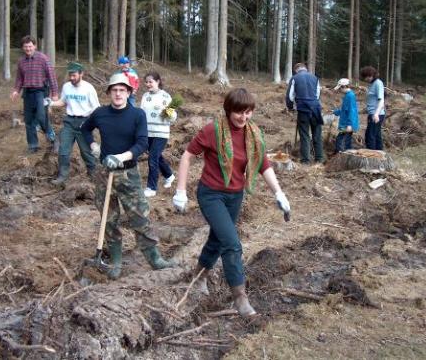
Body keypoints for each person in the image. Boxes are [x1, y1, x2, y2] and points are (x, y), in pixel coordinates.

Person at [172, 88, 291, 317]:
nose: (243, 117)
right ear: (228, 110)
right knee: (232, 243)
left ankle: (199, 276)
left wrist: (279, 193)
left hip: (235, 195)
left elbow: (263, 164)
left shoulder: (253, 134)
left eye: (248, 112)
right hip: (211, 194)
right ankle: (240, 297)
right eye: (238, 112)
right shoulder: (213, 130)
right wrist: (180, 190)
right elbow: (187, 155)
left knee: (218, 240)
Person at [80, 73, 175, 280]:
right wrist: (94, 145)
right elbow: (84, 130)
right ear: (109, 93)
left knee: (140, 217)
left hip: (128, 173)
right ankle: (115, 261)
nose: (118, 93)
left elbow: (142, 143)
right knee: (109, 219)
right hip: (105, 175)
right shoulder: (100, 113)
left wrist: (122, 157)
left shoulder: (137, 114)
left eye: (122, 90)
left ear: (129, 92)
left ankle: (154, 258)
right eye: (114, 90)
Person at [48, 62, 100, 186]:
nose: (72, 78)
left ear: (81, 74)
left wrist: (89, 121)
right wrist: (50, 103)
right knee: (63, 151)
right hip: (69, 122)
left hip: (84, 123)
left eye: (74, 75)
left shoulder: (88, 88)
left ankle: (94, 175)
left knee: (86, 152)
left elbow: (96, 107)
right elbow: (62, 102)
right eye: (70, 75)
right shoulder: (66, 86)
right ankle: (62, 177)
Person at [11, 35, 59, 153]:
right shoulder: (21, 61)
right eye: (26, 47)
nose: (28, 49)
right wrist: (16, 90)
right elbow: (19, 79)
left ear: (35, 46)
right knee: (29, 120)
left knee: (42, 117)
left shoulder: (43, 58)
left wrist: (55, 93)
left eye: (30, 46)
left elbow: (51, 76)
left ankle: (53, 139)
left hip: (41, 92)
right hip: (27, 92)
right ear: (23, 48)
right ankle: (33, 145)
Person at [140, 71, 177, 197]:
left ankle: (151, 188)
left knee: (152, 158)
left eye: (151, 81)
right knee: (156, 156)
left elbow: (173, 117)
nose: (148, 84)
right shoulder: (145, 96)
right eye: (146, 82)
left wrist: (169, 113)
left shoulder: (166, 97)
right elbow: (142, 114)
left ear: (158, 82)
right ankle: (169, 175)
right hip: (148, 132)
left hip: (161, 133)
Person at [286, 62, 324, 164]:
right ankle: (319, 159)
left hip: (303, 110)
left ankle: (305, 160)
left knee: (304, 135)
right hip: (316, 109)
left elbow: (290, 96)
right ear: (305, 69)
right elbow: (317, 94)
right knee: (317, 134)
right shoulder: (315, 78)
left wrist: (291, 107)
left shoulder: (295, 78)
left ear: (296, 70)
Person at [361, 66, 385, 150]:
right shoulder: (371, 84)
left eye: (367, 76)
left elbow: (381, 100)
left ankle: (372, 157)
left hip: (376, 115)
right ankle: (380, 155)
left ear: (372, 75)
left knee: (370, 136)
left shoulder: (378, 83)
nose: (366, 79)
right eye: (364, 77)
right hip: (372, 113)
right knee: (376, 135)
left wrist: (376, 114)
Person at [333, 78, 359, 153]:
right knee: (345, 140)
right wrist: (336, 112)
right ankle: (345, 155)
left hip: (347, 124)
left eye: (340, 88)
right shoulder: (347, 95)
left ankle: (340, 156)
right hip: (346, 122)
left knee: (341, 140)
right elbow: (345, 109)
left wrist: (350, 124)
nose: (339, 90)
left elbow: (352, 111)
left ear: (344, 86)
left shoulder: (350, 96)